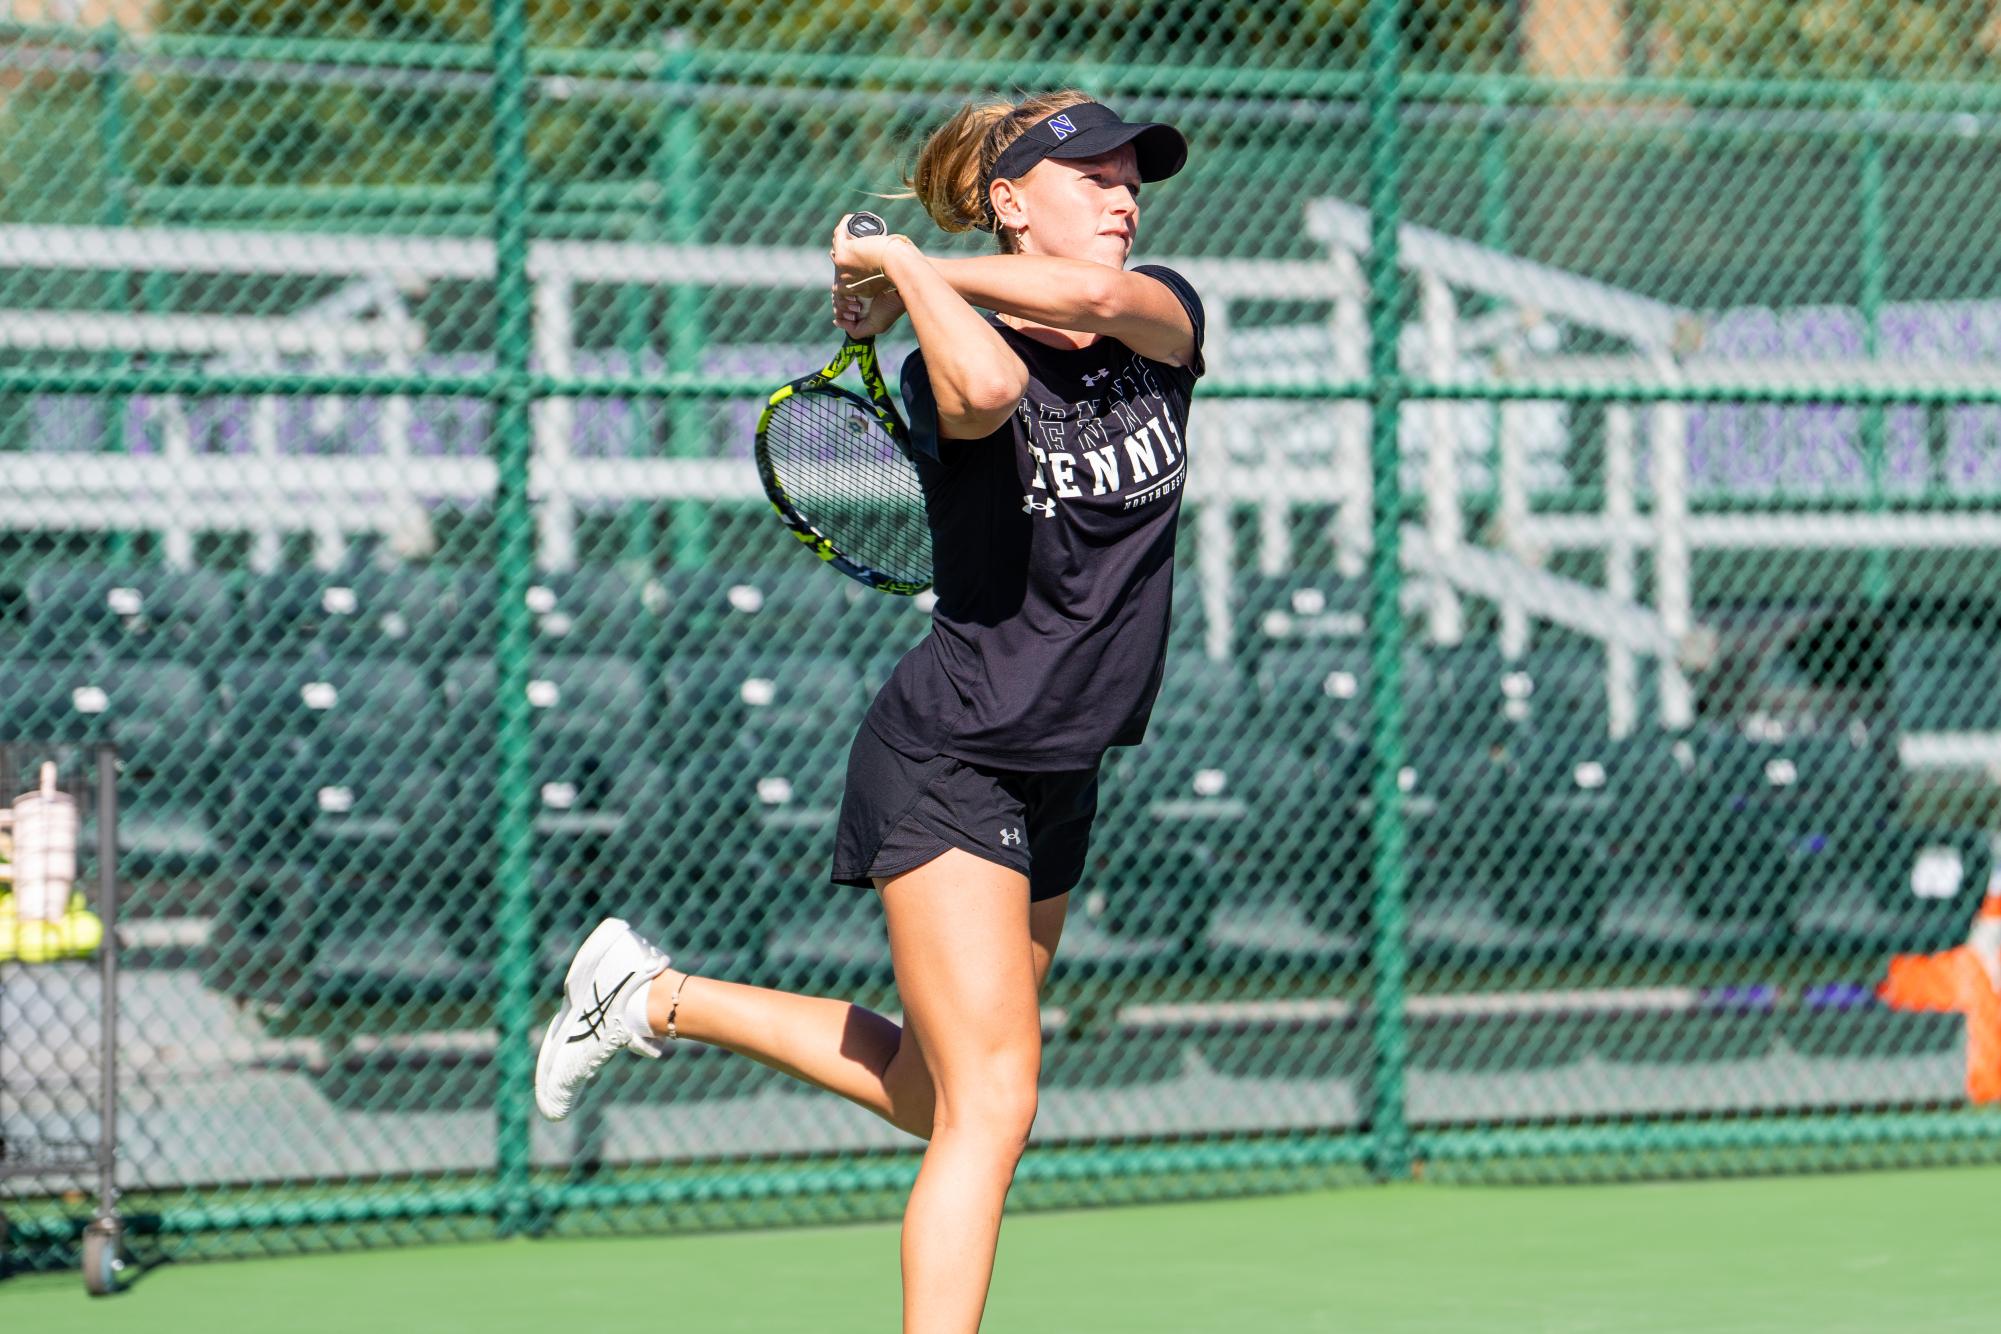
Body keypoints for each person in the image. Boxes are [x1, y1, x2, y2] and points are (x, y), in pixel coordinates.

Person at [535, 90, 1204, 1333]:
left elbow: (1108, 305)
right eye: (1090, 177)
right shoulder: (936, 355)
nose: (1122, 198)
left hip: (1062, 761)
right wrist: (901, 266)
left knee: (935, 1092)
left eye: (1130, 178)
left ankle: (648, 996)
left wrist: (903, 261)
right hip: (952, 754)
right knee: (995, 1107)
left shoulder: (1161, 310)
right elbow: (992, 385)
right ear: (1009, 203)